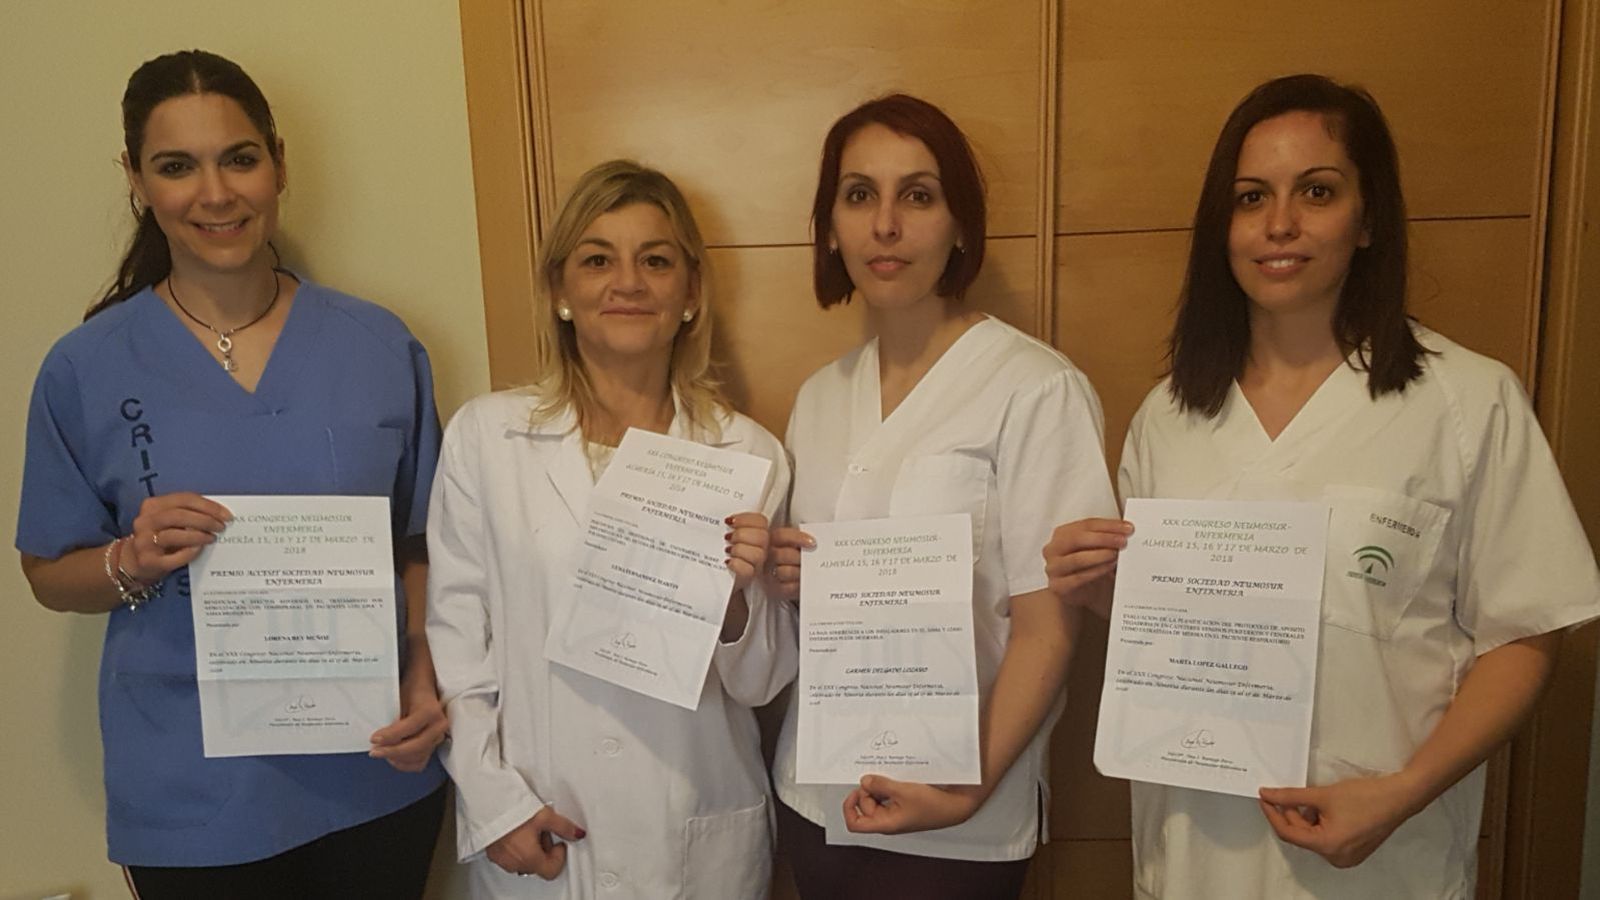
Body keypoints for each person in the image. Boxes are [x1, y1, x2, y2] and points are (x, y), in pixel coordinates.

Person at [1043, 73, 1600, 898]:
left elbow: (1523, 633)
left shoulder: (1466, 403)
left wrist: (1399, 796)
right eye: (1249, 197)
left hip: (1385, 862)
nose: (1279, 225)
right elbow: (1173, 633)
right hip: (1196, 852)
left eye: (1317, 191)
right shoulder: (1170, 416)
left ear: (1369, 217)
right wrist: (1101, 590)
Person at [16, 50, 448, 897]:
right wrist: (127, 564)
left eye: (239, 158)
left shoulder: (377, 346)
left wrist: (426, 670)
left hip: (372, 765)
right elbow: (47, 573)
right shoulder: (87, 366)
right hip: (190, 791)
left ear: (278, 163)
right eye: (177, 167)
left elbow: (421, 538)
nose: (215, 194)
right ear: (137, 180)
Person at [765, 94, 1119, 900]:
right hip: (816, 796)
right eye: (859, 196)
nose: (885, 225)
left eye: (917, 196)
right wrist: (795, 578)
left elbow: (1048, 628)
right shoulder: (820, 397)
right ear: (830, 226)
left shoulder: (1035, 388)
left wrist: (972, 784)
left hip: (959, 823)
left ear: (960, 226)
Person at [426, 159, 793, 899]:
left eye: (655, 261)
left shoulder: (746, 455)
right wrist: (495, 802)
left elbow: (761, 683)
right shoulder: (486, 439)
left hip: (694, 826)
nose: (627, 282)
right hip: (544, 823)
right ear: (560, 290)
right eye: (598, 259)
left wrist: (733, 603)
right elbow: (459, 648)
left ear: (690, 293)